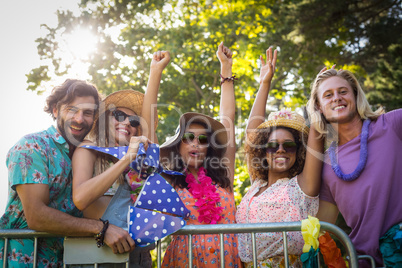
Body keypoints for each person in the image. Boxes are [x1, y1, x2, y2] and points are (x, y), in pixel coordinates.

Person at [0, 79, 135, 267]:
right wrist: (102, 229)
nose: (79, 119)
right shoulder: (32, 146)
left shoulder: (90, 156)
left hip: (65, 260)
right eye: (72, 109)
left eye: (87, 113)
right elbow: (36, 216)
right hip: (21, 259)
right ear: (55, 110)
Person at [71, 51, 170, 267]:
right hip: (96, 255)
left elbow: (148, 120)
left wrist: (155, 72)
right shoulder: (88, 151)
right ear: (105, 119)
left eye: (133, 121)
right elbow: (80, 199)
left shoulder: (141, 157)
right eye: (118, 116)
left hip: (138, 257)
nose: (126, 122)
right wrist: (125, 159)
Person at [235, 47, 324, 268]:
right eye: (273, 145)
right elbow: (252, 136)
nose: (281, 150)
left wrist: (319, 95)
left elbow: (316, 134)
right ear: (264, 152)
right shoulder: (256, 185)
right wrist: (264, 84)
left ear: (300, 151)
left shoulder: (302, 187)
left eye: (289, 145)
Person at [306, 67, 402, 267]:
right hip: (366, 262)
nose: (336, 98)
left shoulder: (391, 125)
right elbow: (323, 226)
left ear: (355, 96)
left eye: (343, 91)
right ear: (319, 107)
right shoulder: (326, 166)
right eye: (328, 95)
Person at [160, 42, 242, 267]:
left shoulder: (223, 175)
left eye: (203, 139)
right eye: (189, 137)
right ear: (178, 145)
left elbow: (227, 119)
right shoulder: (170, 181)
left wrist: (226, 70)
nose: (196, 143)